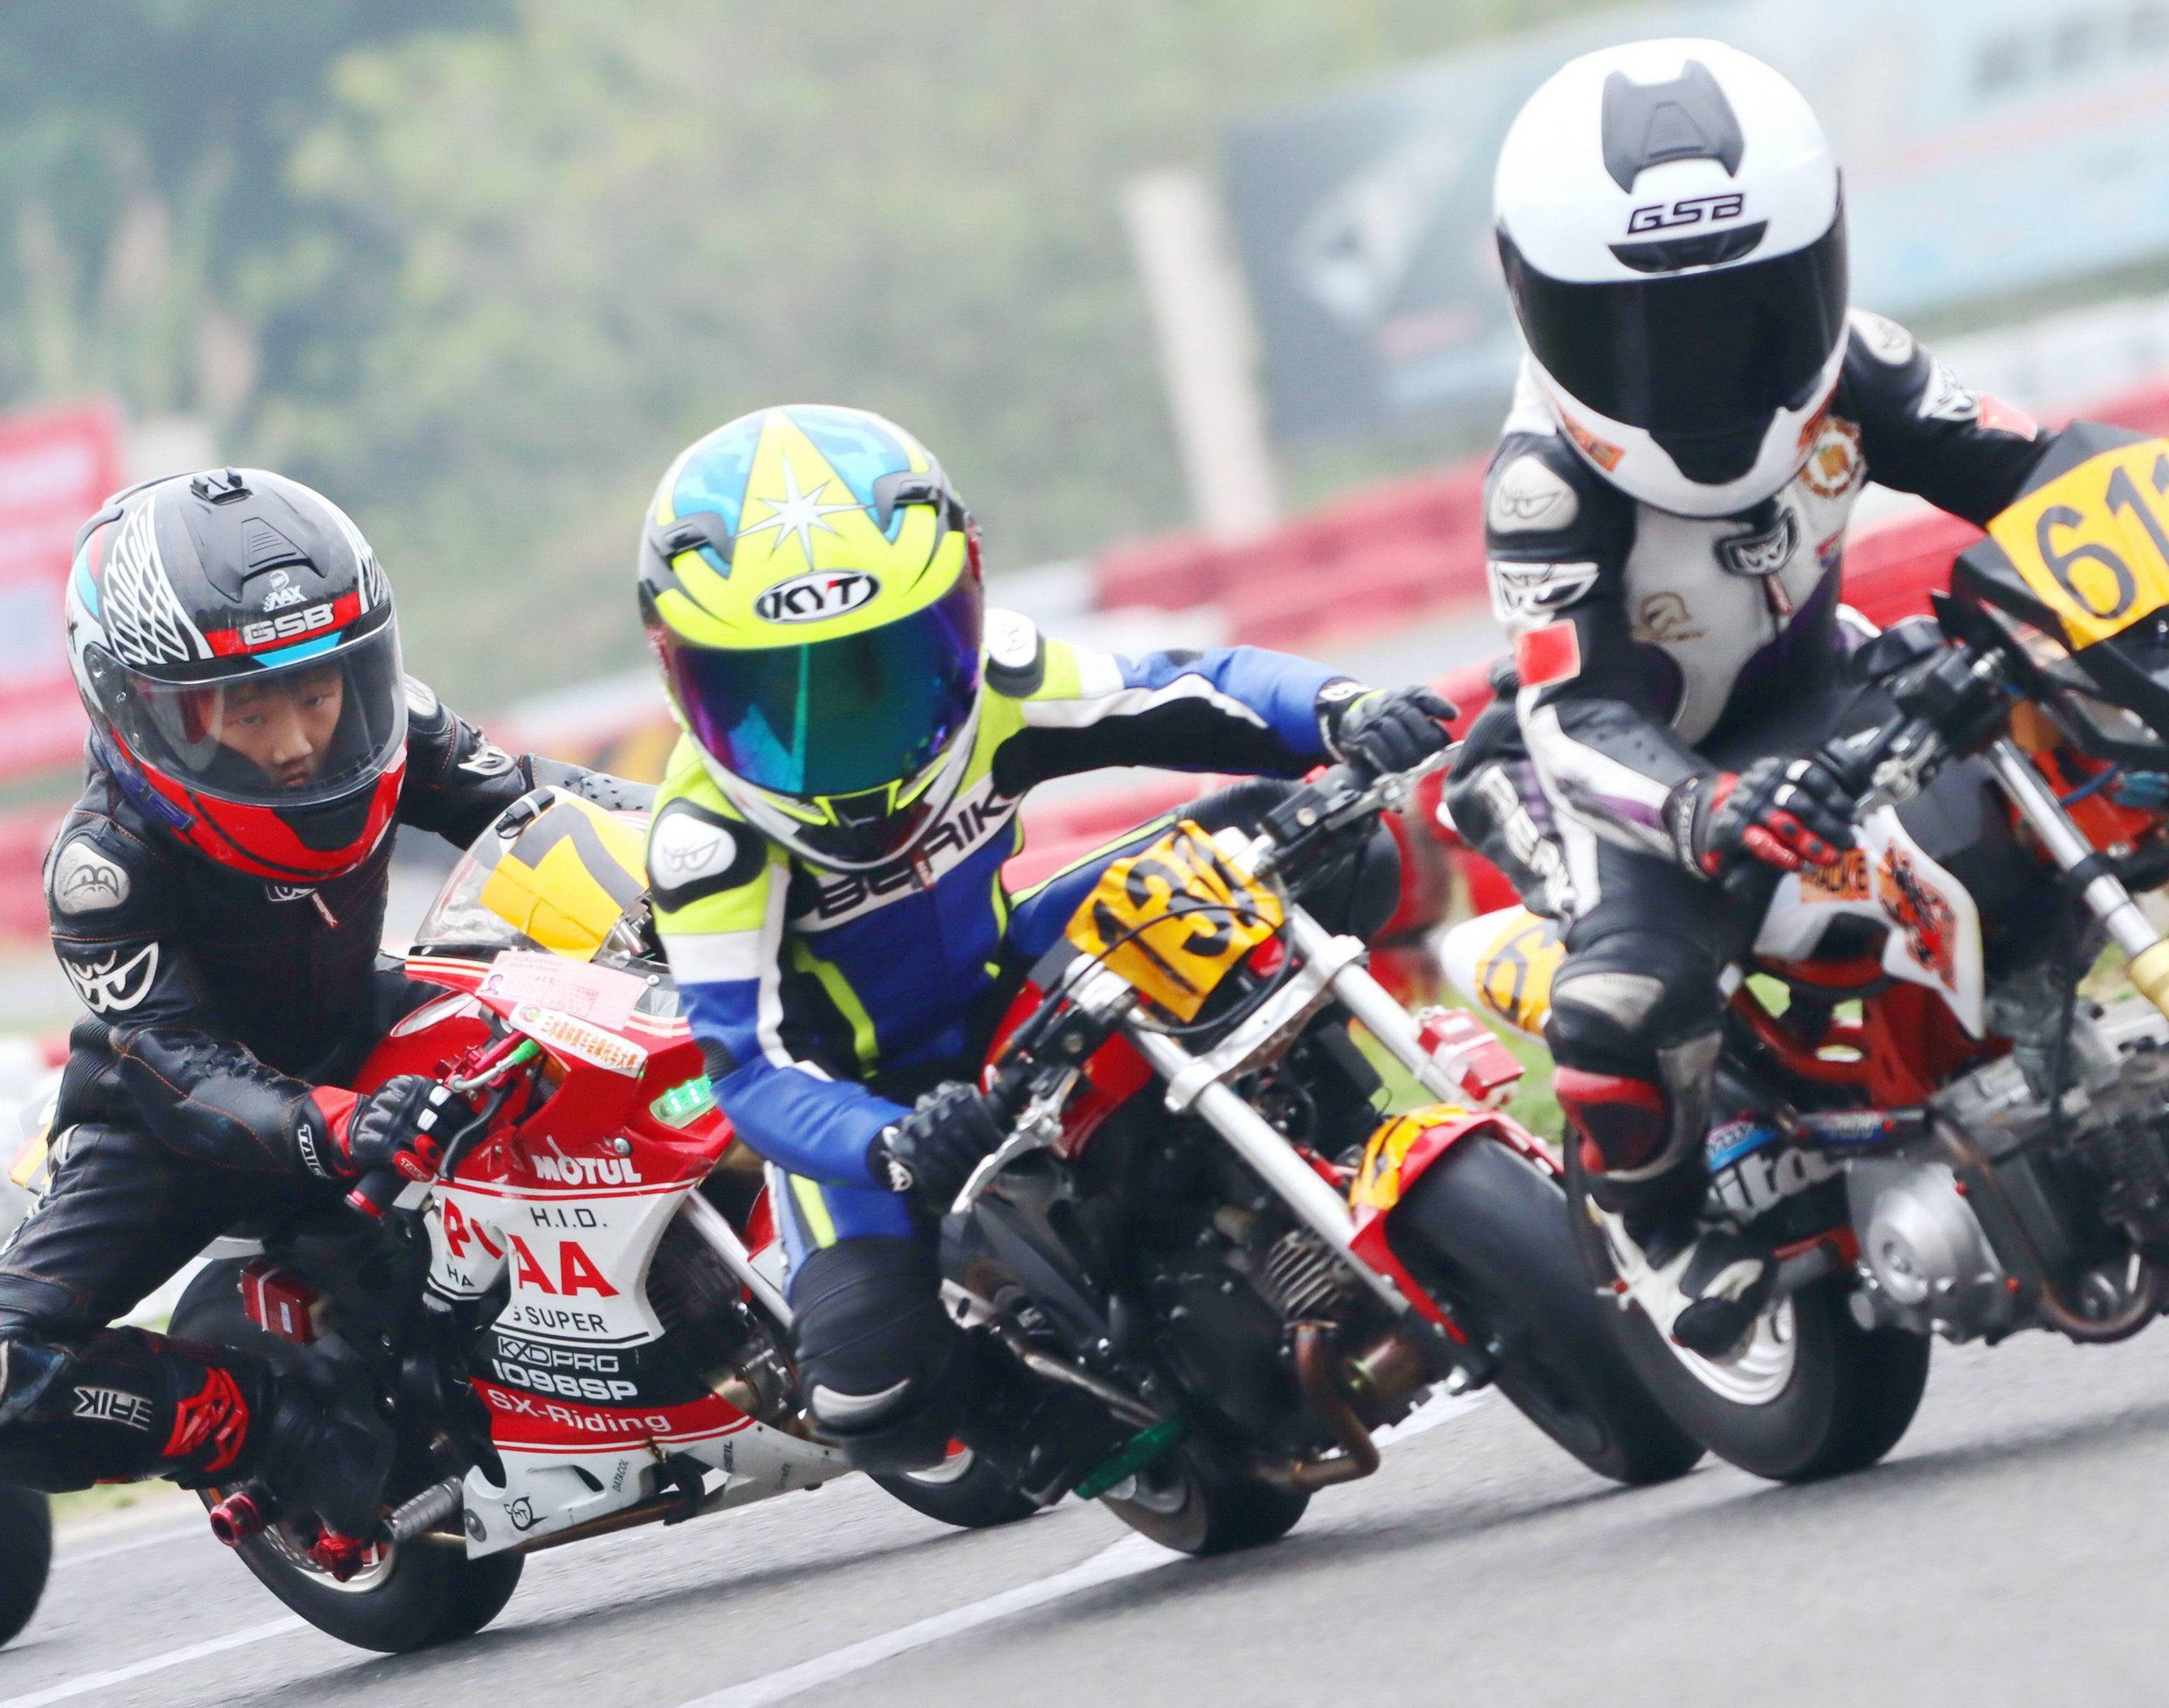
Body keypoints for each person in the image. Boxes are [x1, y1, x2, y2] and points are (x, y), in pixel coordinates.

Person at [1447, 39, 2169, 1356]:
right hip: (1637, 772)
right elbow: (1570, 715)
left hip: (1822, 689)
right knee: (1625, 1003)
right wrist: (1704, 809)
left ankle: (2009, 1061)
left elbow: (2043, 474)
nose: (1703, 364)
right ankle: (1660, 1231)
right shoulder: (1545, 488)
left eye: (1749, 307)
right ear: (1532, 293)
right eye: (1641, 329)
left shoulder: (1861, 367)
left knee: (2047, 764)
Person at [638, 405, 1455, 1472]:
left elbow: (1188, 686)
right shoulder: (707, 843)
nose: (839, 721)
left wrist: (1344, 710)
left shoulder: (1002, 682)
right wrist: (887, 1143)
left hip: (1012, 976)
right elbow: (750, 1071)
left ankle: (1334, 1125)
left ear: (964, 600)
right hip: (875, 1097)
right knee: (874, 1394)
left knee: (1324, 841)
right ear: (675, 664)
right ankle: (1083, 1428)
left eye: (885, 662)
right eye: (768, 690)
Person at [0, 468, 649, 1532]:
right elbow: (182, 1063)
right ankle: (260, 1424)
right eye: (248, 709)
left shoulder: (389, 726)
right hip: (176, 1130)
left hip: (367, 1028)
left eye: (316, 693)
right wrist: (340, 1126)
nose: (298, 740)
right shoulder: (103, 866)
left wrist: (711, 841)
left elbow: (539, 802)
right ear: (140, 706)